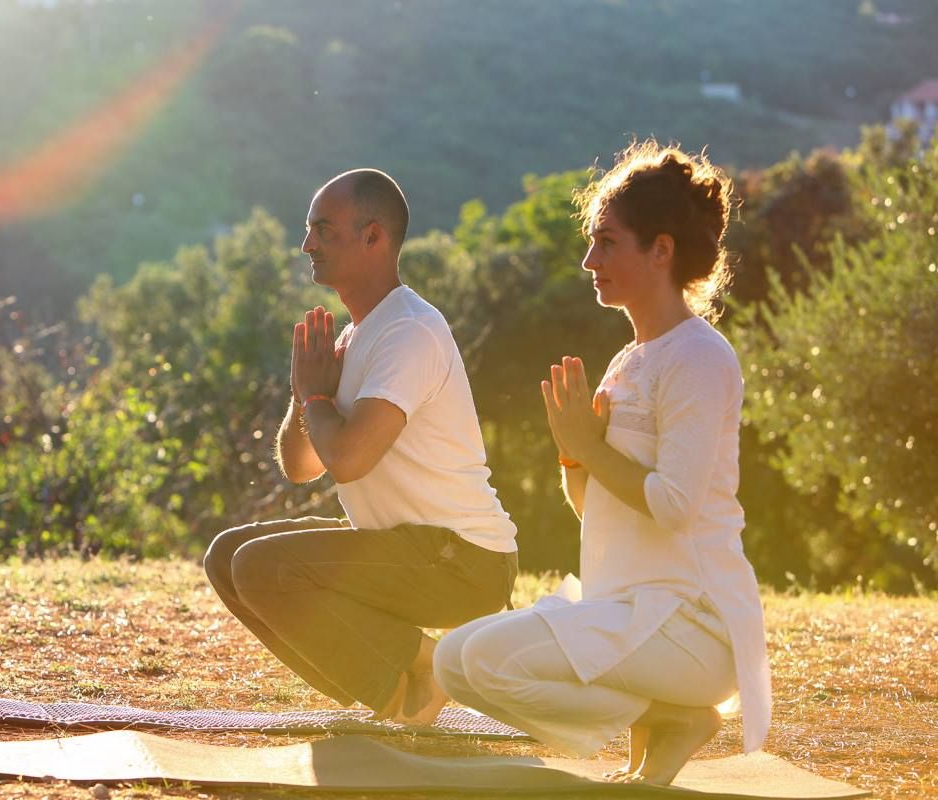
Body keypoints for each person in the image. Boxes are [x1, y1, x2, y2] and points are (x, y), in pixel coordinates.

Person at [433, 141, 772, 785]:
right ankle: (661, 727)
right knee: (454, 660)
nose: (590, 261)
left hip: (692, 625)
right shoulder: (628, 361)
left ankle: (672, 717)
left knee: (489, 664)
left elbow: (673, 505)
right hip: (628, 610)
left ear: (661, 250)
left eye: (607, 243)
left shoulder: (701, 358)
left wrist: (590, 448)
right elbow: (596, 507)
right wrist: (571, 452)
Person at [204, 168, 518, 725]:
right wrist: (309, 397)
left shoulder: (409, 331)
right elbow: (300, 466)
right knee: (229, 558)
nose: (307, 245)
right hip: (404, 548)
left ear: (373, 237)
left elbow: (346, 462)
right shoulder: (353, 335)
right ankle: (399, 681)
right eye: (309, 230)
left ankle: (423, 677)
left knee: (261, 567)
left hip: (463, 560)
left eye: (323, 230)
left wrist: (316, 397)